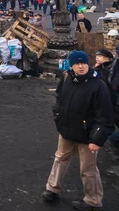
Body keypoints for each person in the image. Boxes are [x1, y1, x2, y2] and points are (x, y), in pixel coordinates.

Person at [41, 51, 114, 210]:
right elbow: (60, 98)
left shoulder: (98, 85)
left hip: (87, 135)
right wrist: (58, 116)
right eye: (77, 63)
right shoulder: (67, 78)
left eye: (83, 63)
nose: (80, 66)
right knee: (60, 159)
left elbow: (106, 115)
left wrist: (97, 138)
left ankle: (93, 200)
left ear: (88, 63)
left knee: (88, 170)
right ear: (71, 64)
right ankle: (52, 188)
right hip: (67, 129)